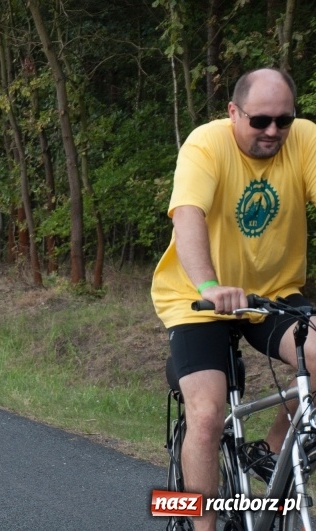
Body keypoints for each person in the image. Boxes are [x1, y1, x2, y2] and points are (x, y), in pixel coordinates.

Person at [151, 67, 316, 531]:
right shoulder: (207, 144)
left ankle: (270, 450)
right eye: (260, 120)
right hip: (198, 299)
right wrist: (208, 285)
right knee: (207, 415)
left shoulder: (305, 139)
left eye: (283, 120)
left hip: (271, 294)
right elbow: (188, 216)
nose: (273, 131)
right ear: (233, 113)